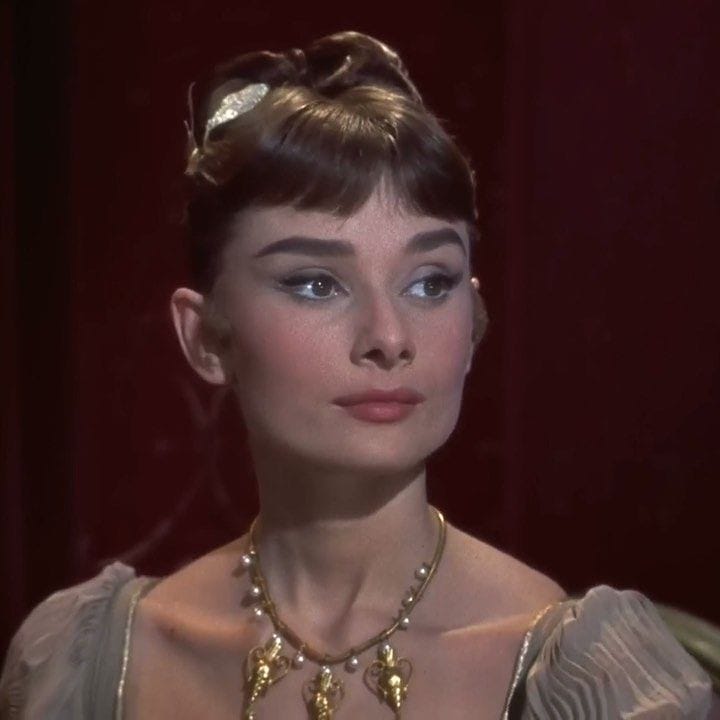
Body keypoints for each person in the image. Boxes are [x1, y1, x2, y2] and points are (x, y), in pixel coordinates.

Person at [1, 30, 717, 720]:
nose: (389, 338)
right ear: (206, 336)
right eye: (316, 284)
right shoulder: (95, 663)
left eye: (429, 283)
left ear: (474, 321)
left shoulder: (589, 682)